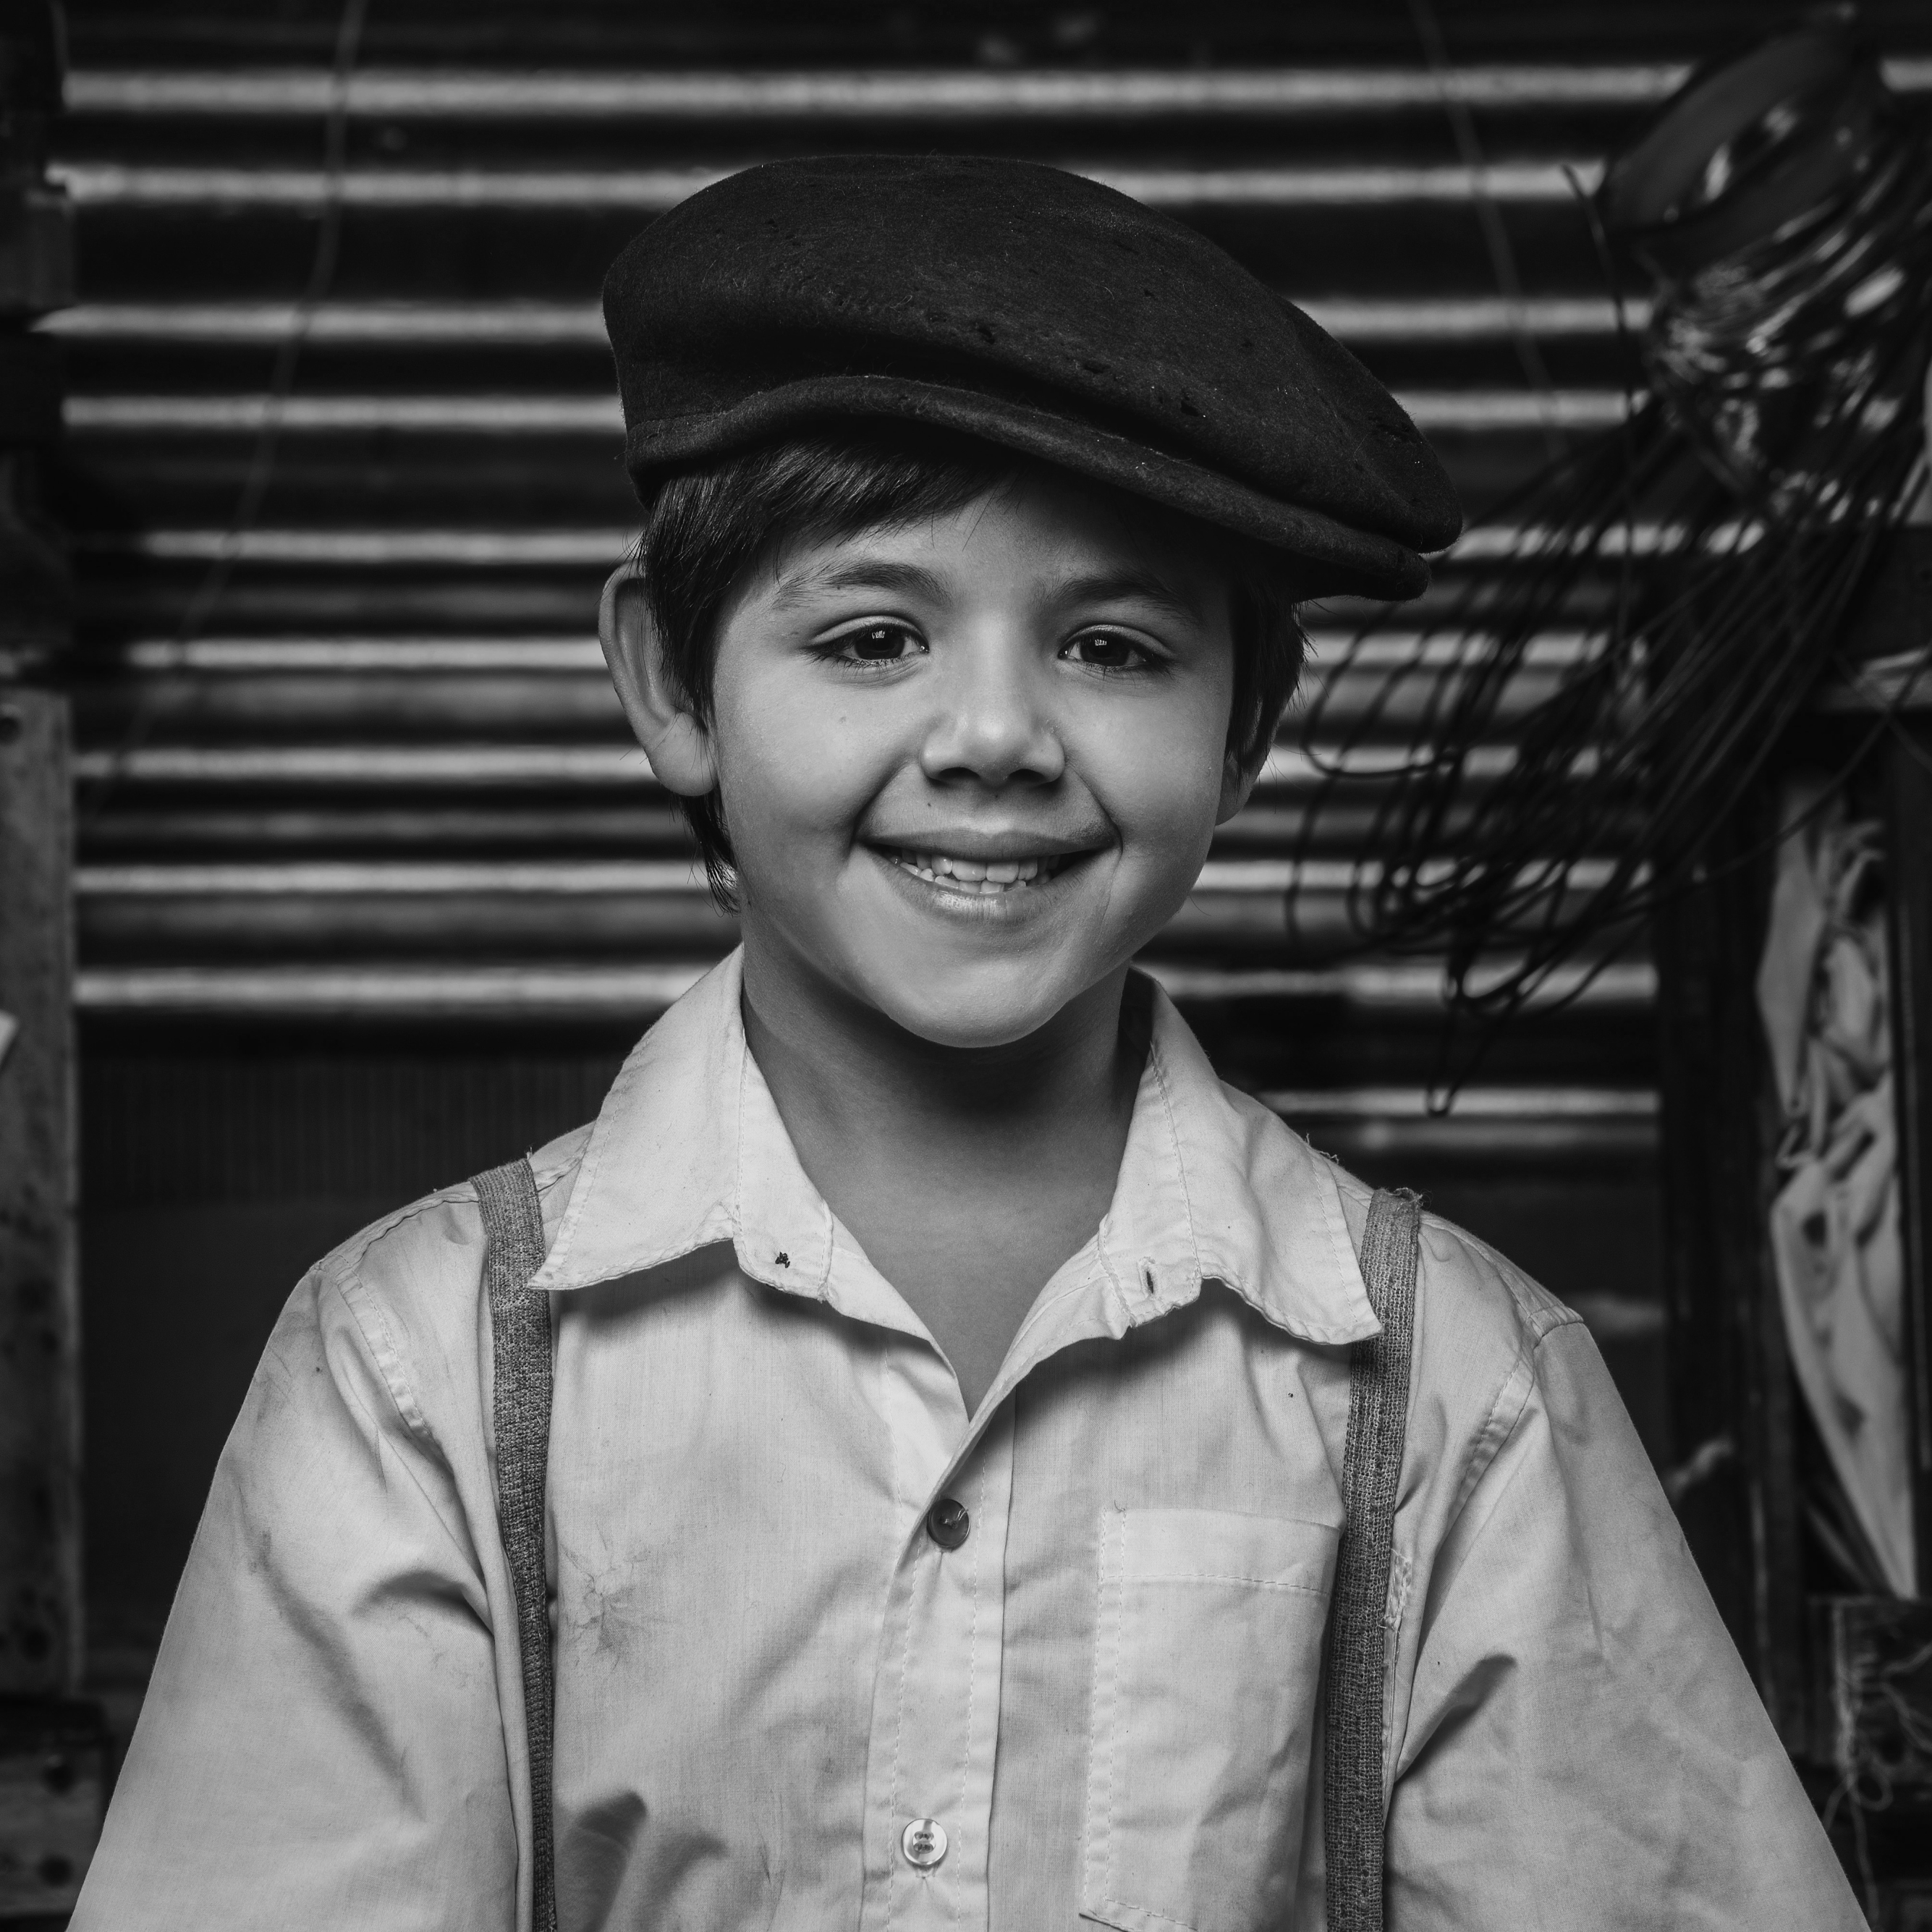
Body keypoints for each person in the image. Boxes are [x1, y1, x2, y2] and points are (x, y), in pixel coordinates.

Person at [73, 155, 1860, 1931]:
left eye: (1113, 645)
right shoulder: (425, 1375)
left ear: (1247, 726)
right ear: (674, 685)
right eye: (874, 636)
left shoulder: (1459, 1387)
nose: (996, 735)